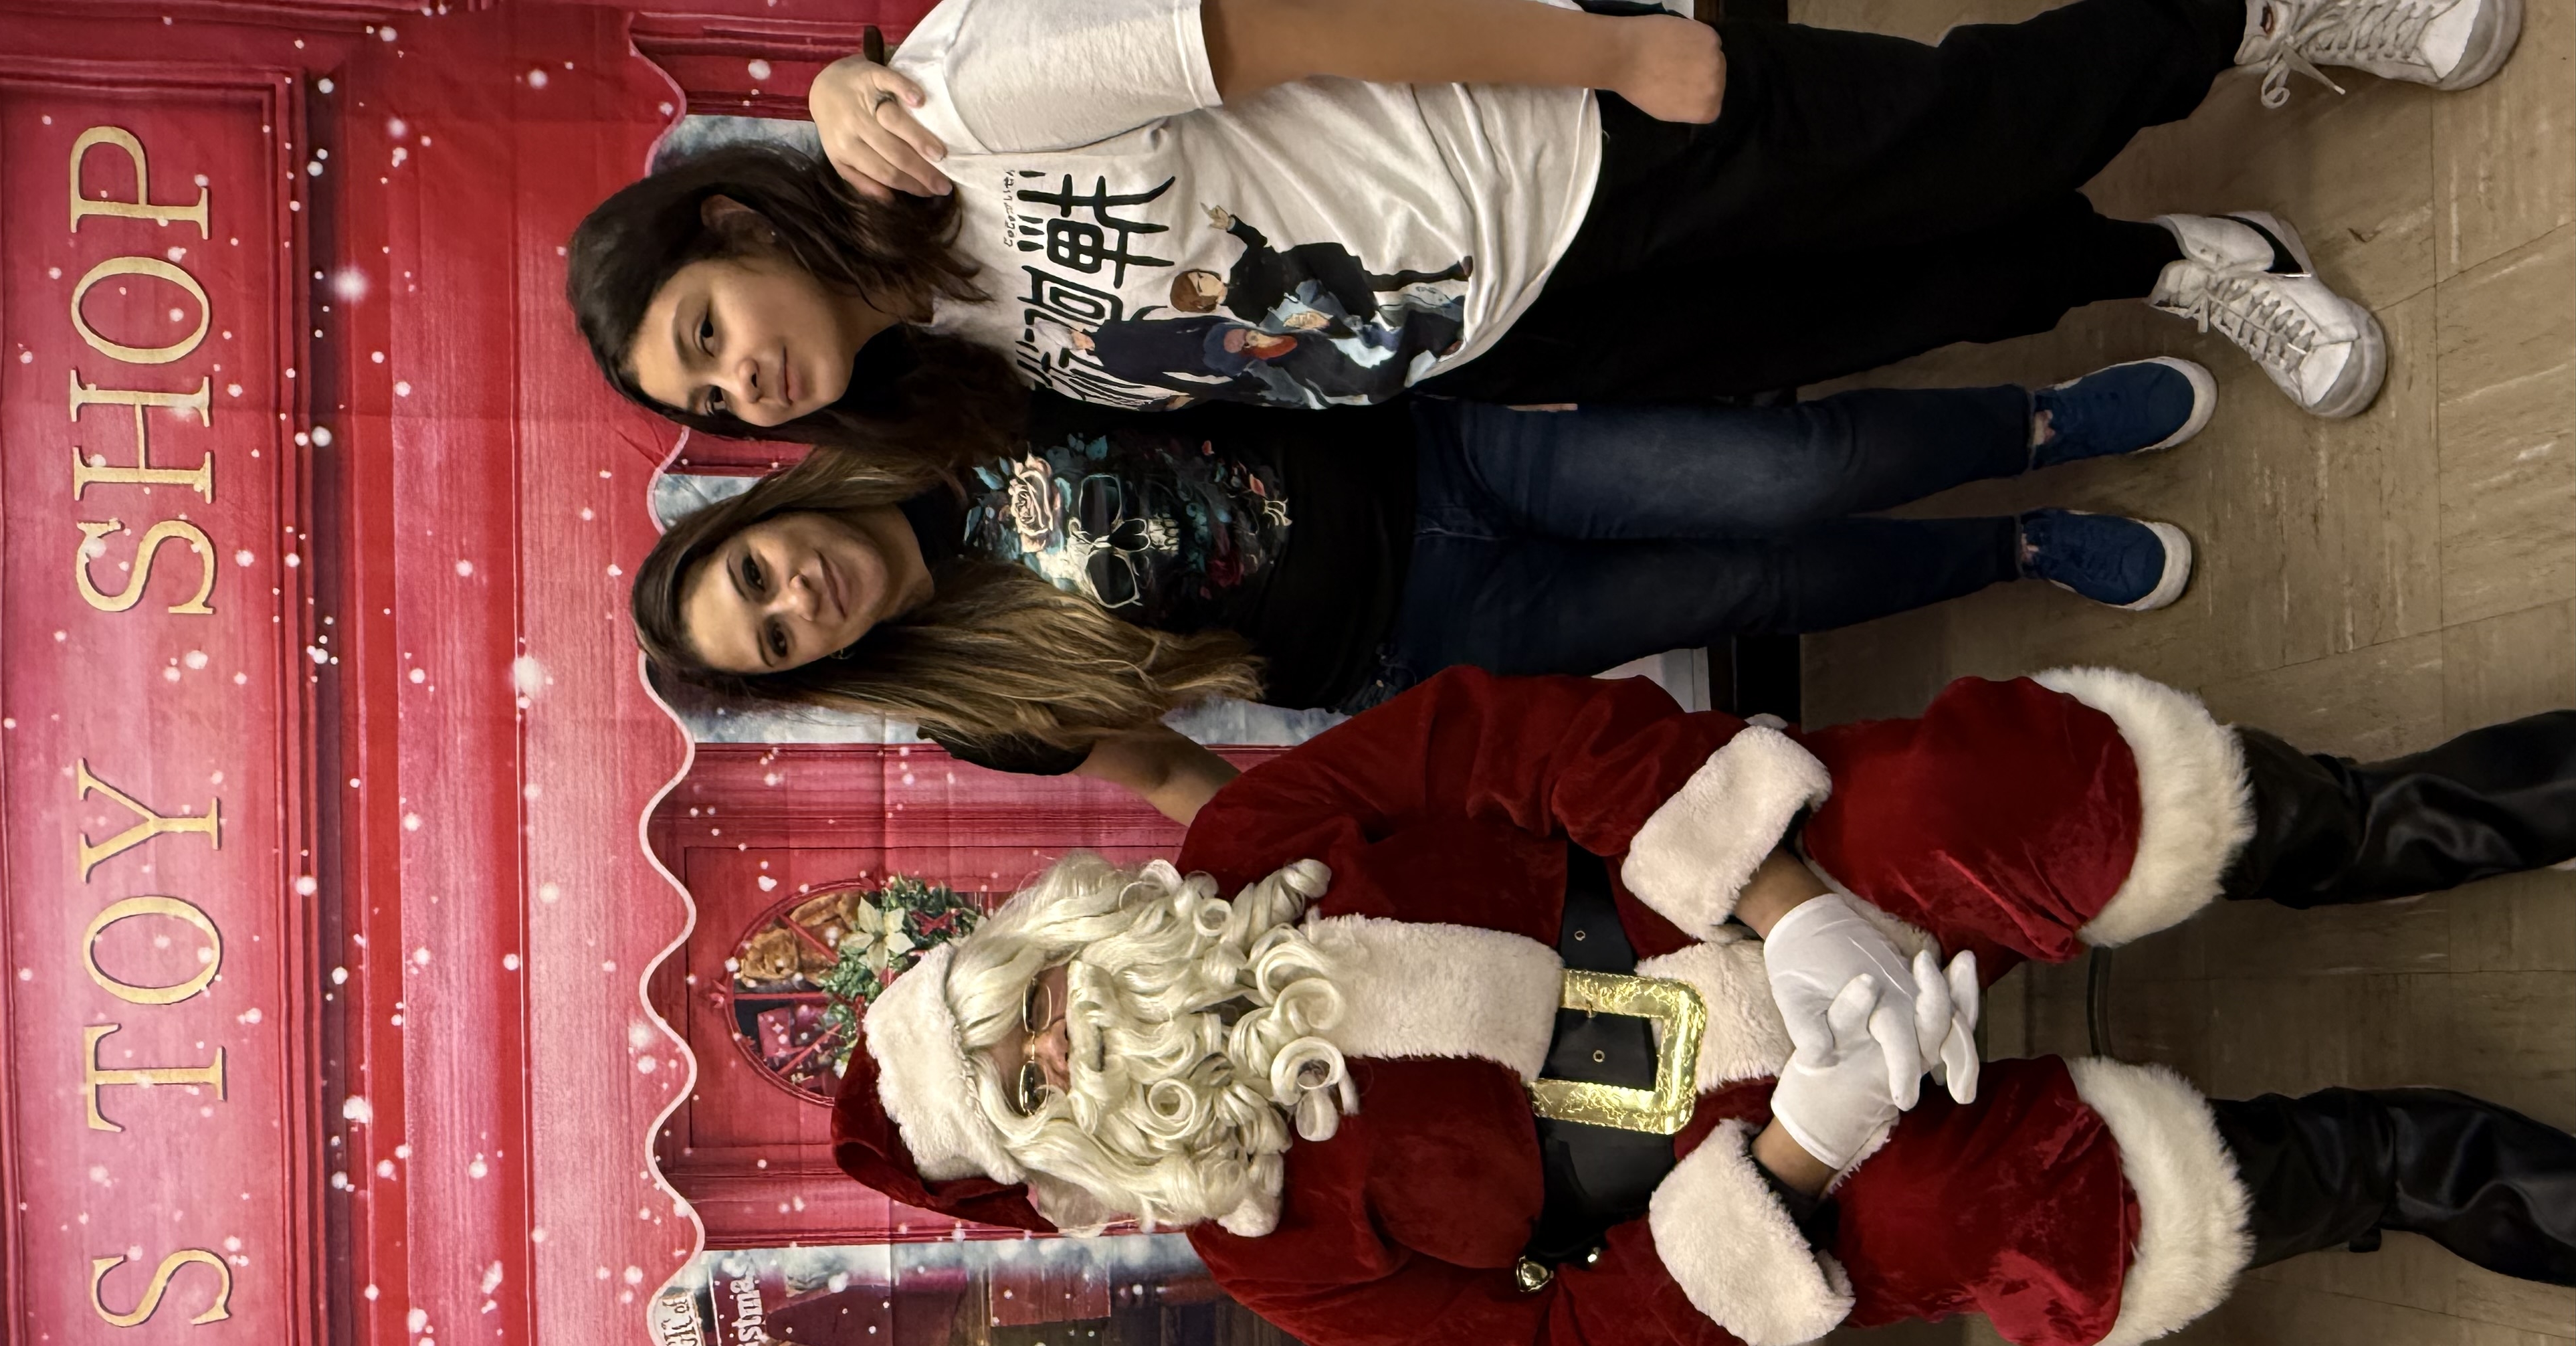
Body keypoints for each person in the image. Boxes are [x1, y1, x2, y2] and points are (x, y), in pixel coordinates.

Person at [824, 665, 2576, 1346]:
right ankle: (2405, 1169)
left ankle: (2386, 823)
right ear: (1063, 1160)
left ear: (1049, 941)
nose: (1071, 1039)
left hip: (1708, 898)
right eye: (1033, 1088)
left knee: (1978, 799)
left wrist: (1792, 905)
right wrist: (1809, 1145)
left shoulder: (1242, 850)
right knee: (1968, 1216)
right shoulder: (1254, 1234)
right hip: (1736, 1161)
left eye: (1029, 1006)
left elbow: (1493, 733)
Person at [568, 0, 2520, 453]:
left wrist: (1605, 48)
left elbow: (1268, 29)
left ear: (736, 222)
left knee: (1967, 125)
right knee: (1919, 294)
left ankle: (2269, 15)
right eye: (717, 403)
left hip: (1582, 147)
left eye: (710, 331)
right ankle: (2186, 265)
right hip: (1544, 332)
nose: (748, 379)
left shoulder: (961, 98)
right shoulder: (958, 340)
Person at [635, 361, 2219, 813]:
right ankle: (2014, 548)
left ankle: (2036, 419)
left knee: (1781, 467)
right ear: (809, 674)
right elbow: (1182, 767)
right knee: (1755, 581)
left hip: (1434, 466)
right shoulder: (981, 715)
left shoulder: (937, 406)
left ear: (772, 508)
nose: (801, 599)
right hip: (1423, 636)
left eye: (761, 574)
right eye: (776, 641)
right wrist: (1312, 849)